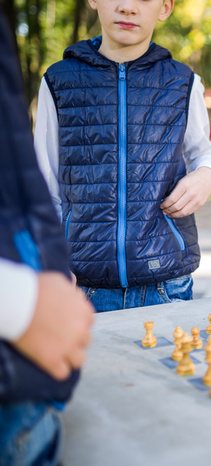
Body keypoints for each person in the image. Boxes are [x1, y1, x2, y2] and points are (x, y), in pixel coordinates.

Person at [34, 0, 211, 312]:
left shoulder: (182, 82)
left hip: (166, 282)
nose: (127, 7)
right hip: (82, 287)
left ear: (165, 7)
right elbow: (44, 185)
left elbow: (204, 153)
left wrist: (206, 176)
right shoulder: (57, 81)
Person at [0, 10, 94, 465]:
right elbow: (47, 175)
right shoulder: (58, 79)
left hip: (26, 374)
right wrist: (18, 301)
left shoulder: (182, 79)